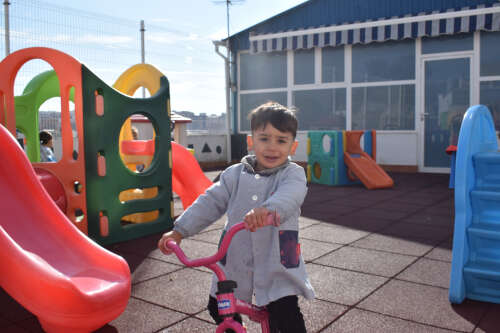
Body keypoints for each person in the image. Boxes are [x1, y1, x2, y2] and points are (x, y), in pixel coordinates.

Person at [158, 101, 314, 332]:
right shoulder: (234, 175)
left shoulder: (293, 174)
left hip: (277, 259)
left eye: (281, 140)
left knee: (284, 313)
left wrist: (268, 209)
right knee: (218, 306)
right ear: (251, 141)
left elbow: (291, 196)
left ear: (293, 146)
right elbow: (210, 202)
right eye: (264, 138)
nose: (272, 147)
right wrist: (180, 230)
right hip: (235, 257)